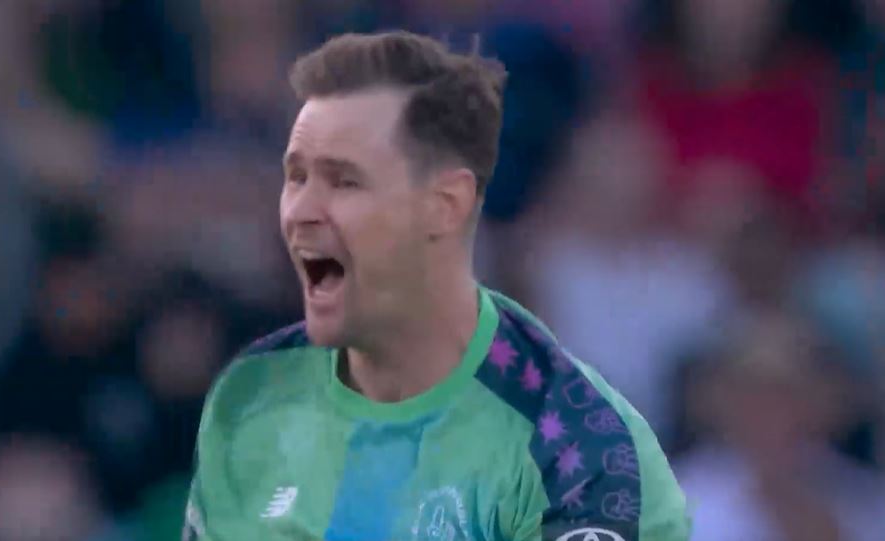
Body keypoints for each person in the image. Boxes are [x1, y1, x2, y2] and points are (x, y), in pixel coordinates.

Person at [183, 31, 689, 541]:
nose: (302, 214)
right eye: (297, 178)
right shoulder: (251, 393)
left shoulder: (576, 444)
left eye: (345, 182)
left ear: (445, 207)